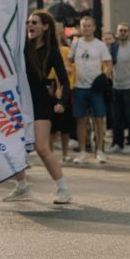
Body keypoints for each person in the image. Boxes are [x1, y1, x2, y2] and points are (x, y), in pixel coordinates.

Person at [3, 11, 72, 203]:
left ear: (45, 27)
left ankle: (63, 189)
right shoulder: (21, 47)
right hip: (18, 101)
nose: (29, 26)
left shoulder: (52, 51)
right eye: (28, 23)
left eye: (34, 22)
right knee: (14, 147)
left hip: (40, 102)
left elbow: (64, 81)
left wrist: (61, 102)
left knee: (42, 148)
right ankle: (22, 187)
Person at [68, 16, 113, 164]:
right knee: (81, 120)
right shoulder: (76, 44)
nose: (86, 29)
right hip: (80, 87)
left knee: (99, 119)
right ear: (81, 28)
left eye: (89, 26)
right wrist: (69, 68)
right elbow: (69, 60)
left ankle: (99, 150)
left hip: (95, 88)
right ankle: (82, 151)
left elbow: (109, 64)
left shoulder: (100, 45)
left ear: (94, 28)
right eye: (84, 26)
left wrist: (103, 78)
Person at [109, 22, 130, 155]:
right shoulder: (113, 47)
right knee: (117, 118)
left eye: (125, 30)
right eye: (120, 30)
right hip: (116, 86)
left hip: (129, 87)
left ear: (129, 32)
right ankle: (117, 143)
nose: (123, 33)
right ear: (117, 32)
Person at [49, 20, 75, 163]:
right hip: (51, 89)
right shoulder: (46, 51)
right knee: (51, 126)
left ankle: (65, 154)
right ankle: (50, 154)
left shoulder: (66, 51)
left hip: (65, 89)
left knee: (65, 125)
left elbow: (71, 70)